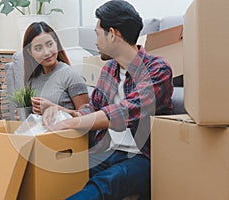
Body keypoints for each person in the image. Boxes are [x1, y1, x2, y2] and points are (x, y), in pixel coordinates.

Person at [40, 0, 174, 199]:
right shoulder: (108, 70)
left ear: (112, 34)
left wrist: (73, 121)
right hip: (108, 150)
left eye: (97, 33)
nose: (95, 42)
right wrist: (65, 113)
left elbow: (124, 112)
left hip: (144, 157)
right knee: (62, 168)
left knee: (105, 183)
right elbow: (94, 109)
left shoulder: (158, 69)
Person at [22, 21, 89, 114]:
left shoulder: (71, 76)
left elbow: (87, 118)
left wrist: (54, 108)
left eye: (50, 44)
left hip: (66, 128)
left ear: (56, 43)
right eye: (38, 48)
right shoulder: (32, 80)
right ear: (30, 52)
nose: (46, 52)